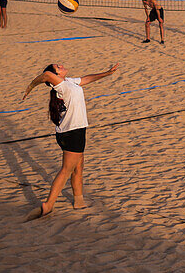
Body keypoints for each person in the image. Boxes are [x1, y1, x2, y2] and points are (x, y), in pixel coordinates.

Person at [21, 60, 120, 220]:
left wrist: (106, 73)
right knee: (66, 170)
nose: (60, 65)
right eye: (57, 67)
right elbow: (46, 75)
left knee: (78, 166)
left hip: (74, 131)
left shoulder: (68, 82)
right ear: (55, 76)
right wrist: (31, 87)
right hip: (72, 133)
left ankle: (78, 201)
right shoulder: (59, 85)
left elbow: (86, 79)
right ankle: (48, 206)